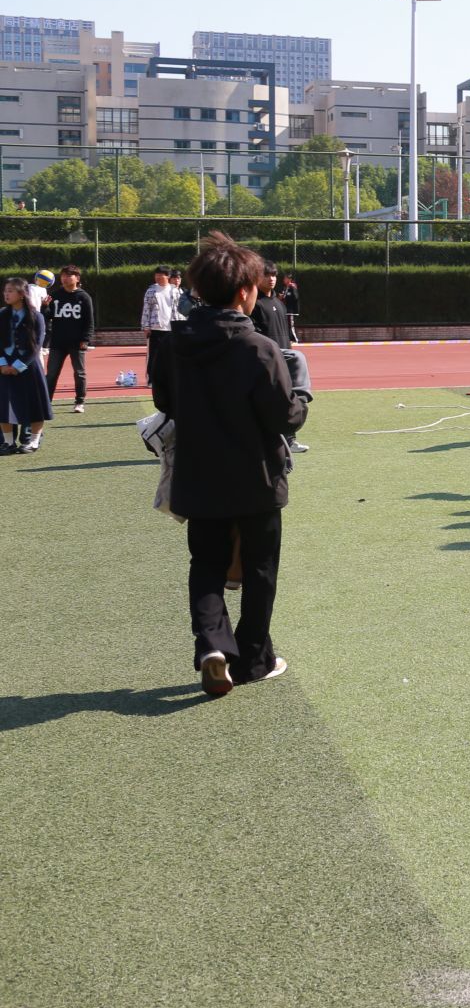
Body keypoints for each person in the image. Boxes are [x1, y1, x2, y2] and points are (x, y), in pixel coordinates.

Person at [153, 232, 310, 697]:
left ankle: (212, 646)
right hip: (254, 474)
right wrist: (301, 395)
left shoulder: (172, 345)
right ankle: (252, 658)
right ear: (244, 291)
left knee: (206, 563)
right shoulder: (257, 347)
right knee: (260, 568)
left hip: (197, 472)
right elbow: (285, 417)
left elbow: (165, 401)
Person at [252, 264, 309, 455]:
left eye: (274, 275)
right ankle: (268, 441)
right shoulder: (255, 304)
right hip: (267, 361)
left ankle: (289, 440)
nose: (271, 279)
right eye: (267, 275)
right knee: (269, 402)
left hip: (285, 358)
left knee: (286, 399)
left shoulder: (279, 302)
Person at [0, 278, 51, 453]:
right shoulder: (2, 315)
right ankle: (8, 442)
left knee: (35, 404)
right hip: (4, 366)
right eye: (5, 290)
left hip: (29, 367)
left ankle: (33, 441)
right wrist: (2, 364)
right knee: (4, 404)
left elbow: (36, 346)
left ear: (22, 294)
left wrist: (18, 366)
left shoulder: (36, 316)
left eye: (10, 291)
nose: (6, 294)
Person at [42, 264, 94, 414]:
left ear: (77, 278)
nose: (64, 278)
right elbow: (47, 317)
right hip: (58, 342)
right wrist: (44, 307)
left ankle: (79, 401)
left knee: (79, 373)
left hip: (77, 342)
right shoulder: (55, 295)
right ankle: (46, 403)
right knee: (51, 374)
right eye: (63, 276)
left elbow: (89, 321)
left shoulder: (84, 297)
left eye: (68, 276)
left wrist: (85, 339)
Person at [142, 265, 177, 391]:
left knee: (172, 355)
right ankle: (151, 379)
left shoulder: (175, 291)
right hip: (155, 328)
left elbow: (178, 309)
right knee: (154, 356)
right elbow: (146, 309)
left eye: (160, 275)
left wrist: (180, 325)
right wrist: (146, 326)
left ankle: (170, 379)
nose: (157, 277)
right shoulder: (151, 291)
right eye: (156, 275)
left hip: (171, 328)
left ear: (168, 276)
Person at [278, 273, 301, 342]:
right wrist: (281, 297)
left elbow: (295, 297)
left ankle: (295, 339)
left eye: (285, 278)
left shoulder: (292, 287)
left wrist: (285, 296)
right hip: (285, 310)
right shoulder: (285, 288)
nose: (283, 280)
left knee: (291, 325)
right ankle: (289, 339)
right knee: (287, 326)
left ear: (289, 279)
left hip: (291, 311)